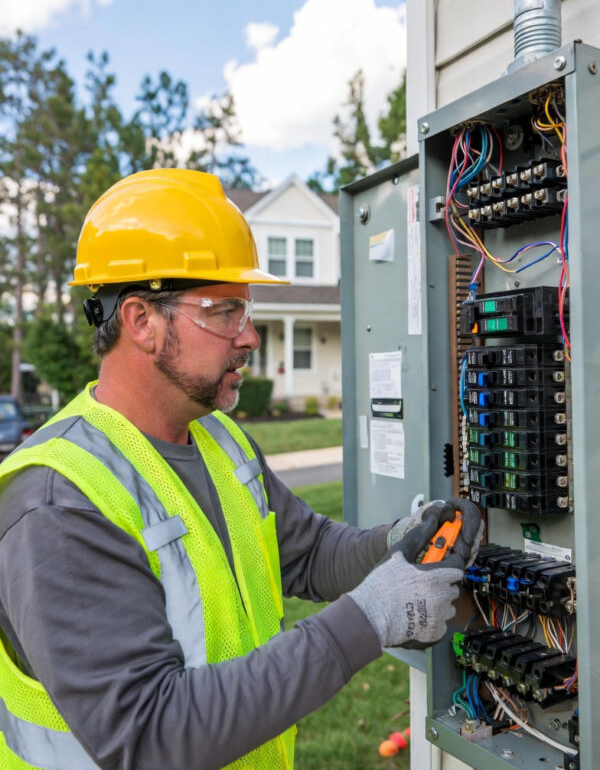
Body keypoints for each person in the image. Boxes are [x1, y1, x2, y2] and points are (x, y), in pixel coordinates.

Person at [0, 169, 482, 770]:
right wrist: (370, 618)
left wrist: (394, 545)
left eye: (246, 311)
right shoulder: (58, 502)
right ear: (141, 321)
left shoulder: (218, 437)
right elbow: (151, 732)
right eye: (225, 311)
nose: (249, 335)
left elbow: (306, 553)